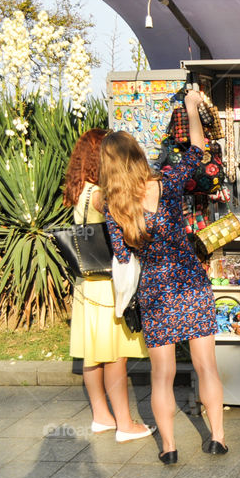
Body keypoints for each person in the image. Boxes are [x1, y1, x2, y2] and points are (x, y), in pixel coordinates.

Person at [100, 90, 226, 464]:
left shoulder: (114, 208)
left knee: (161, 375)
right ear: (137, 155)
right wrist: (190, 108)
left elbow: (122, 256)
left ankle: (169, 448)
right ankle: (217, 437)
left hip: (156, 291)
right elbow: (195, 152)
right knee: (207, 367)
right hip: (191, 282)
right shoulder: (166, 183)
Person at [63, 129, 154, 443]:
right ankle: (126, 424)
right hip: (106, 284)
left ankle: (101, 416)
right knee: (116, 354)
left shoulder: (81, 191)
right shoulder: (101, 195)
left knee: (92, 354)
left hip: (86, 284)